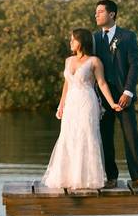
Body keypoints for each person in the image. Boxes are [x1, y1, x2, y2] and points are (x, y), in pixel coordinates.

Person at [42, 28, 122, 189]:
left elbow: (102, 83)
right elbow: (67, 84)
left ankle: (87, 179)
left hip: (87, 102)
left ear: (82, 41)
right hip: (71, 103)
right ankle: (68, 177)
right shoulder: (68, 60)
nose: (71, 42)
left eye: (73, 39)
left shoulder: (94, 61)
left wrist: (112, 103)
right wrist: (61, 104)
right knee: (68, 136)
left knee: (86, 136)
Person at [93, 0, 138, 189]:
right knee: (105, 136)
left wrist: (128, 91)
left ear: (112, 14)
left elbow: (134, 65)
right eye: (95, 12)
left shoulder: (127, 36)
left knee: (131, 136)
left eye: (100, 12)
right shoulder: (94, 38)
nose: (96, 15)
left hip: (123, 96)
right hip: (102, 97)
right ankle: (111, 177)